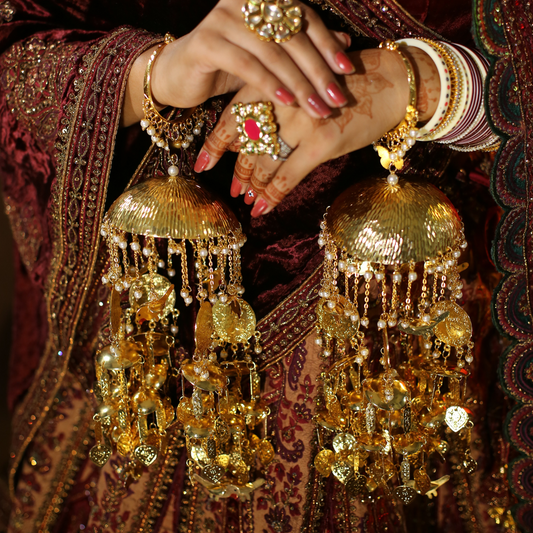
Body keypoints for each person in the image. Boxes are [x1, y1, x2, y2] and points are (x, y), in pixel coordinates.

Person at [0, 0, 528, 531]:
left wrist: (425, 84)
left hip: (402, 332)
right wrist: (150, 75)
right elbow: (16, 48)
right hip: (150, 333)